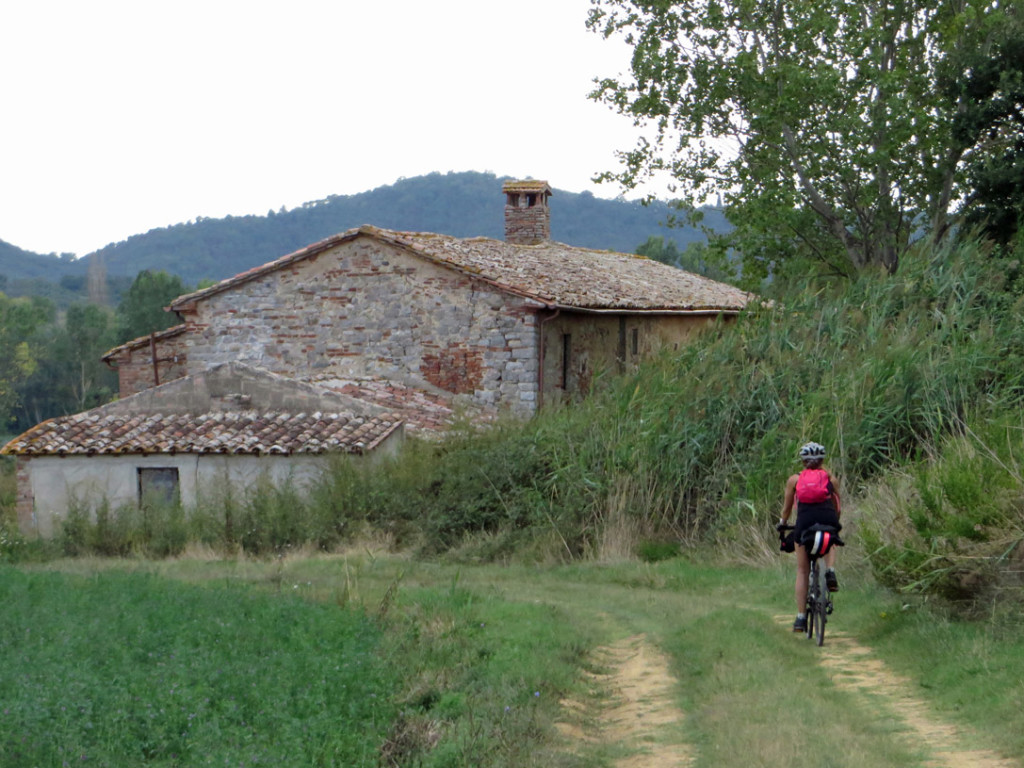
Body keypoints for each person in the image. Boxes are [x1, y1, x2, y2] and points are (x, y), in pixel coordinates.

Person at [778, 441, 841, 633]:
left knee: (803, 570)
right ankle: (830, 569)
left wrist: (782, 522)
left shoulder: (794, 480)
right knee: (831, 539)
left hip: (804, 522)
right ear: (822, 460)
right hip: (827, 518)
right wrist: (834, 521)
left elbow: (787, 509)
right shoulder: (831, 479)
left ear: (803, 461)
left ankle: (800, 618)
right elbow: (838, 506)